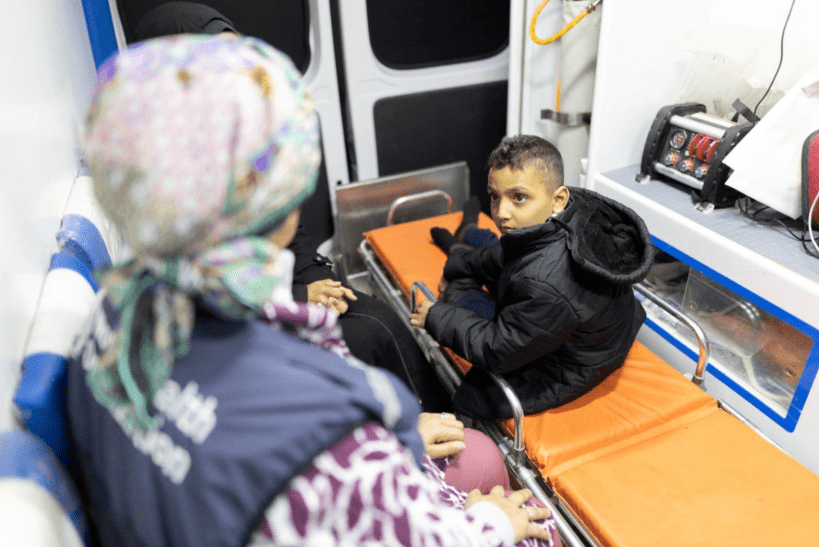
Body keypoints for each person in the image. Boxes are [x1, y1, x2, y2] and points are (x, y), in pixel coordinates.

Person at [67, 34, 557, 547]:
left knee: (479, 453)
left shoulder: (112, 315)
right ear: (285, 194)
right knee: (537, 527)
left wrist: (392, 439)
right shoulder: (326, 432)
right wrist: (491, 523)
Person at [133, 1, 453, 413]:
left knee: (374, 313)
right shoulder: (164, 176)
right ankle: (421, 428)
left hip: (279, 289)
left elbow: (287, 229)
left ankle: (441, 419)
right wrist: (298, 295)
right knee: (372, 333)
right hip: (241, 328)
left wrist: (318, 279)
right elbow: (203, 289)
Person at [410, 135, 654, 420]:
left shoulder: (546, 284)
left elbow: (497, 349)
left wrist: (437, 316)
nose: (501, 213)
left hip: (568, 364)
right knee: (494, 246)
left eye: (519, 197)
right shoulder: (565, 217)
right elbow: (505, 255)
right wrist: (456, 266)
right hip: (575, 323)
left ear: (558, 199)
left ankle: (459, 243)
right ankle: (465, 237)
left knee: (458, 297)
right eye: (494, 196)